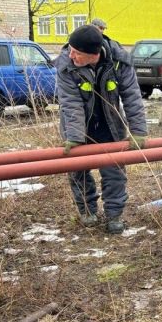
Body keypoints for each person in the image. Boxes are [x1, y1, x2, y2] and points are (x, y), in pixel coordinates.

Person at [54, 24, 147, 234]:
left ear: (92, 55)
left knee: (114, 170)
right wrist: (76, 137)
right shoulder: (66, 65)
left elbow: (132, 96)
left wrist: (138, 131)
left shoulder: (119, 62)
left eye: (77, 53)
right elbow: (70, 103)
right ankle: (87, 210)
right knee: (78, 170)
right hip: (77, 128)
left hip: (110, 125)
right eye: (71, 50)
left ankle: (114, 215)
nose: (71, 55)